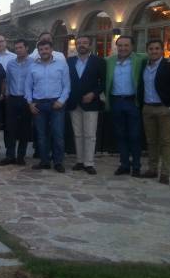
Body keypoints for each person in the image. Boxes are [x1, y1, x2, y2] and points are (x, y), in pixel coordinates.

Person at [138, 39, 170, 185]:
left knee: (166, 142)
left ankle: (165, 173)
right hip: (148, 108)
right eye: (151, 49)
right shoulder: (144, 65)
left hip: (164, 109)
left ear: (162, 50)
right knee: (151, 141)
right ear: (147, 51)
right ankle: (152, 169)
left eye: (157, 48)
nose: (154, 51)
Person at [25, 40, 70, 172]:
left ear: (51, 50)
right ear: (38, 51)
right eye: (41, 49)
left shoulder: (61, 65)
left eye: (46, 49)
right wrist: (30, 103)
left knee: (58, 134)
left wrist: (61, 101)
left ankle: (58, 162)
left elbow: (67, 86)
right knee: (41, 135)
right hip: (38, 104)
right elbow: (28, 86)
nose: (44, 51)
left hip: (57, 103)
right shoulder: (33, 66)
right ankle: (44, 161)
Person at [105, 35, 147, 177]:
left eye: (126, 45)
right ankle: (124, 164)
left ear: (132, 47)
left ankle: (136, 166)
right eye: (120, 45)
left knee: (134, 135)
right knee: (120, 135)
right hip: (116, 102)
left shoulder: (140, 59)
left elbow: (157, 57)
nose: (123, 48)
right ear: (116, 47)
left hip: (132, 102)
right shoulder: (109, 61)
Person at [66, 35, 106, 174]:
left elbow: (104, 82)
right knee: (77, 134)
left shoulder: (99, 61)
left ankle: (89, 163)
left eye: (85, 43)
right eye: (79, 43)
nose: (81, 45)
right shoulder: (69, 61)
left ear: (90, 45)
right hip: (74, 102)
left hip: (91, 103)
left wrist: (93, 94)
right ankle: (79, 160)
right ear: (76, 45)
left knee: (90, 134)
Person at [0, 39, 33, 166]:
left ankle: (20, 156)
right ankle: (10, 156)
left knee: (25, 128)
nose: (18, 50)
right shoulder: (11, 64)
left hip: (26, 99)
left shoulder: (33, 63)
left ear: (26, 48)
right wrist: (6, 95)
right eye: (16, 48)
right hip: (12, 99)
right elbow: (7, 81)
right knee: (10, 128)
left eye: (20, 47)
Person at [0, 34, 16, 157]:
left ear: (5, 42)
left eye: (1, 41)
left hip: (9, 95)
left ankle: (9, 149)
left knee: (8, 124)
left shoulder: (14, 57)